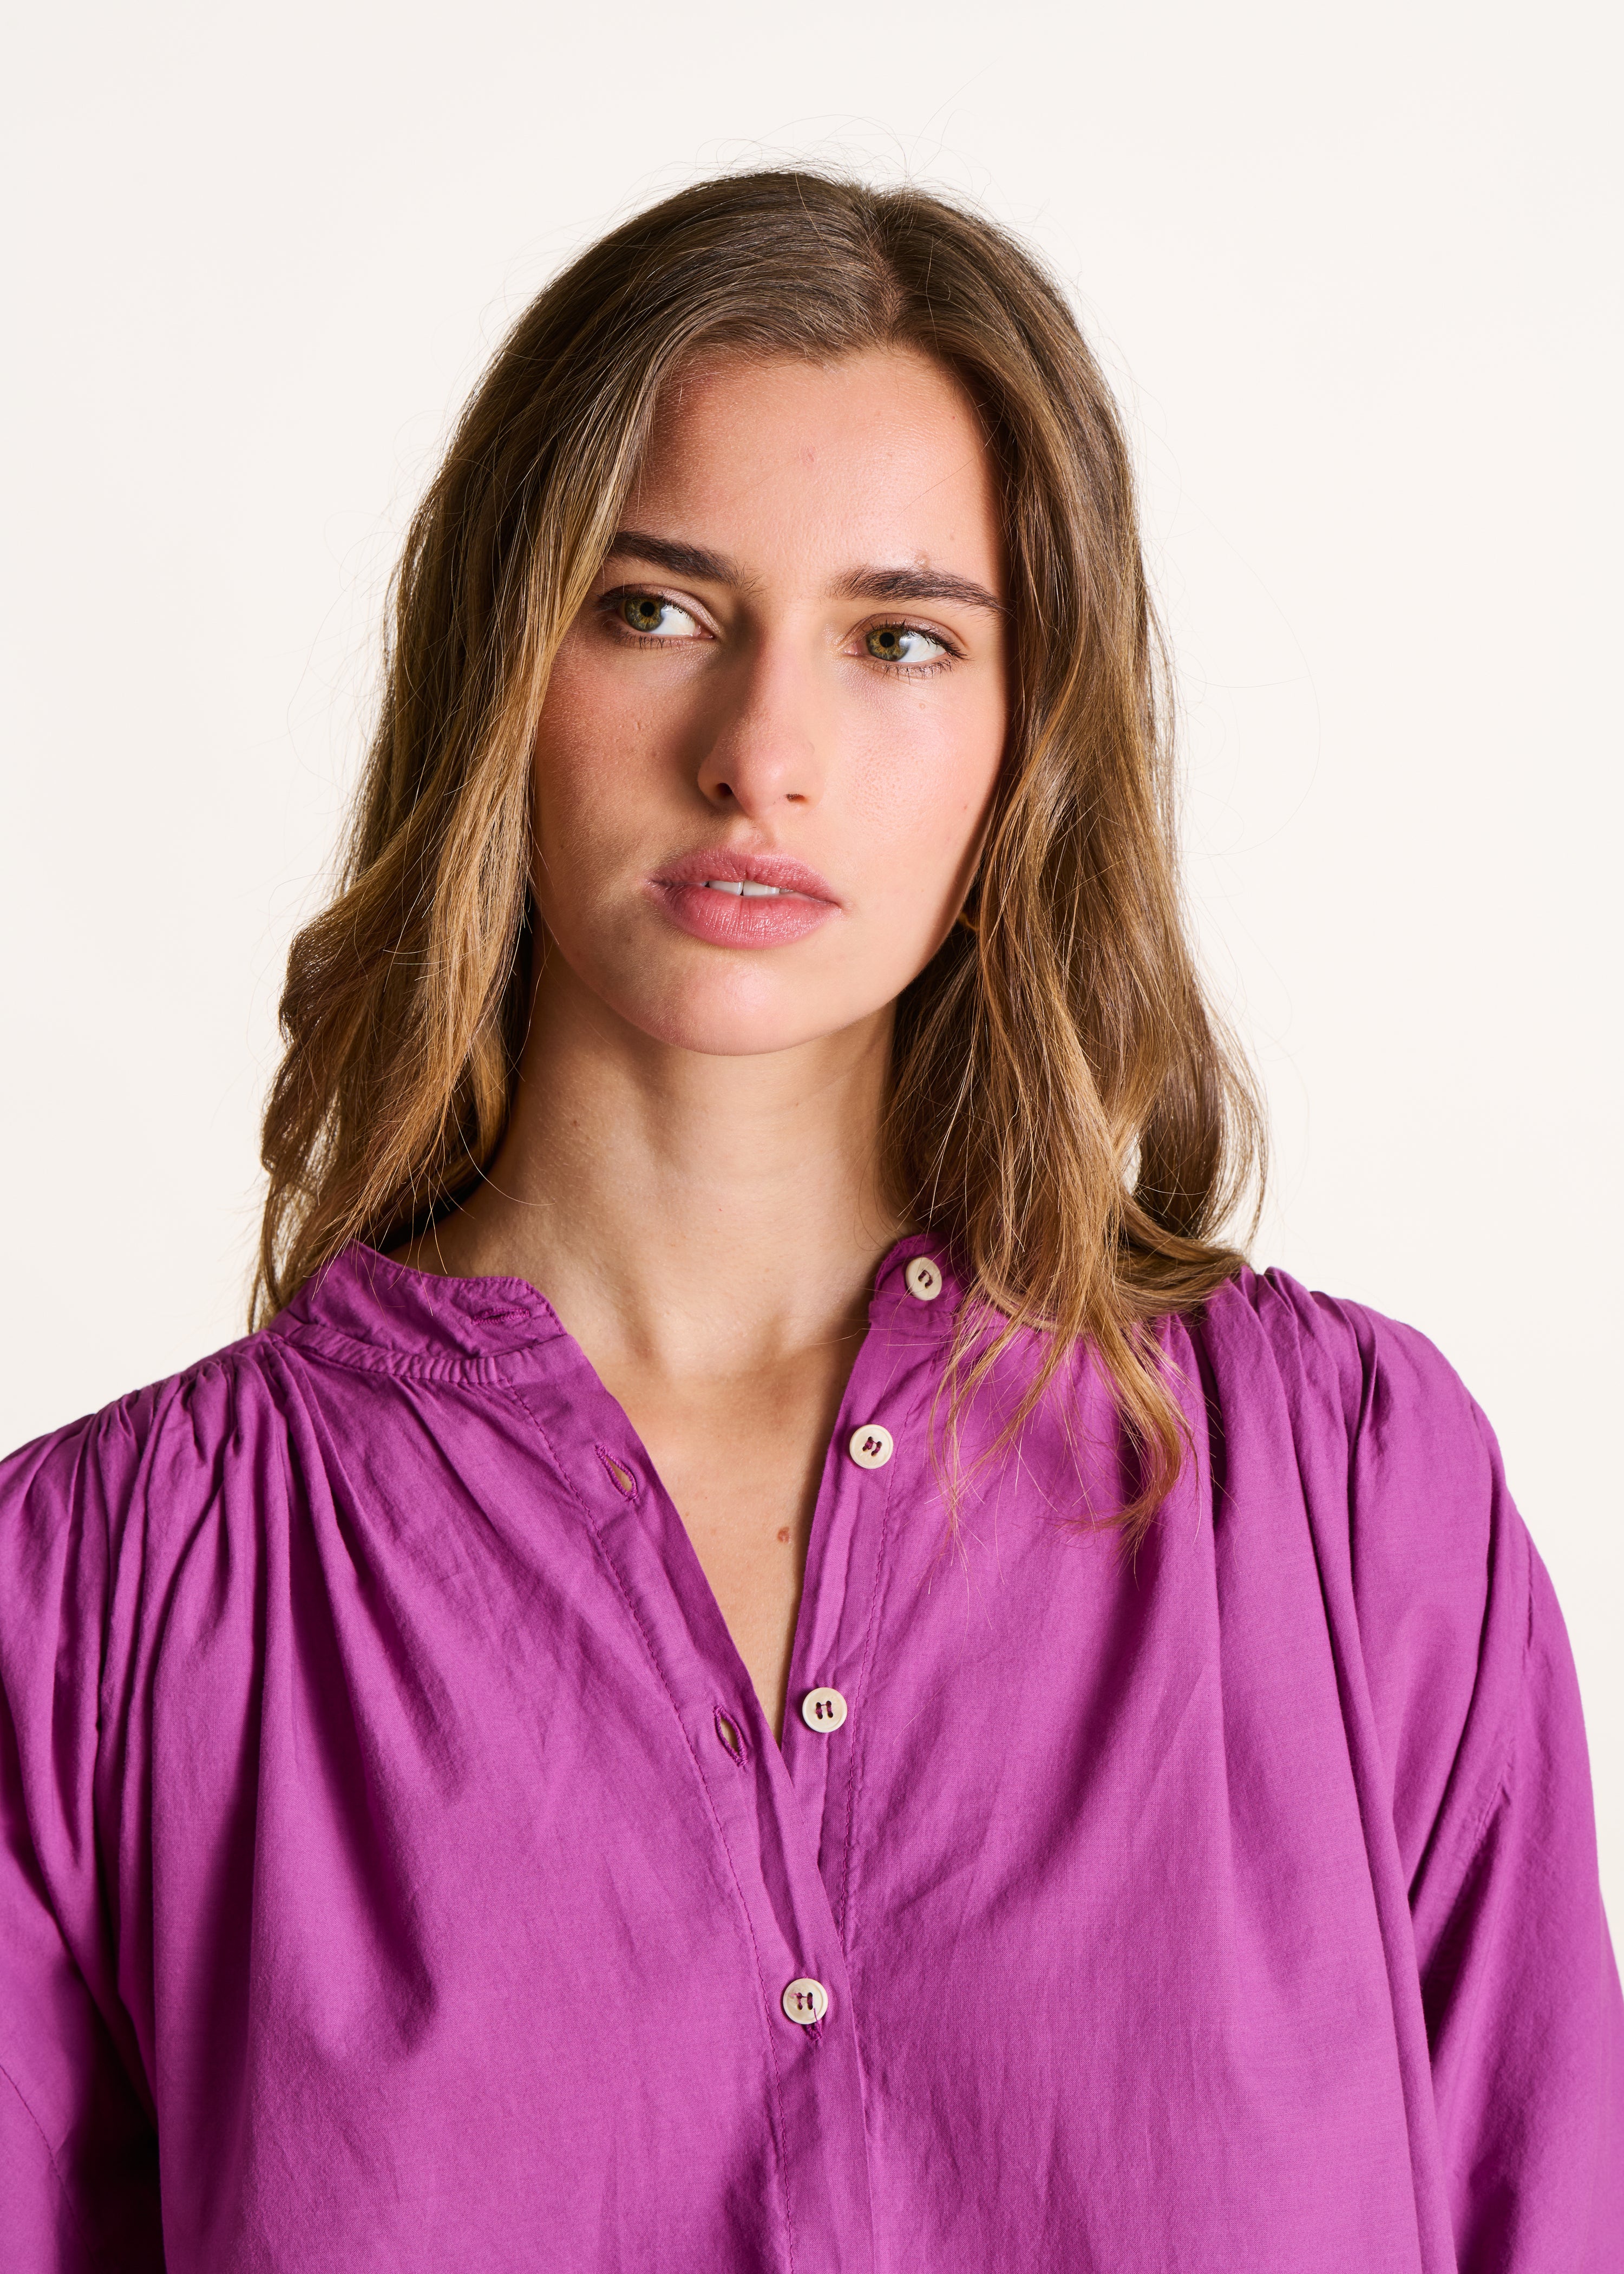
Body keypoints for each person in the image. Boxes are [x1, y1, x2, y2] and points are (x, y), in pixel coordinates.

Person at [1, 169, 1618, 2273]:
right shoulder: (103, 1612)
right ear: (503, 661)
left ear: (1031, 734)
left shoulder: (1344, 1506)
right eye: (653, 608)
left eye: (899, 638)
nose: (761, 753)